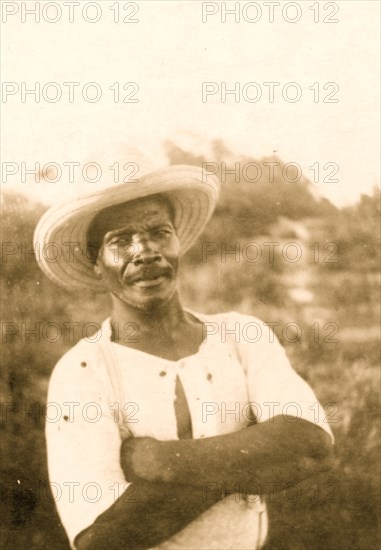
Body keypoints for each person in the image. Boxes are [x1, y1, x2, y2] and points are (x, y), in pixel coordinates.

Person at [34, 158, 334, 550]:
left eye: (160, 232)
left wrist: (162, 462)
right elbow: (99, 536)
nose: (145, 252)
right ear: (96, 266)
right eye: (119, 241)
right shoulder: (84, 371)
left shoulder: (241, 334)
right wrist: (252, 458)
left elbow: (310, 443)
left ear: (178, 243)